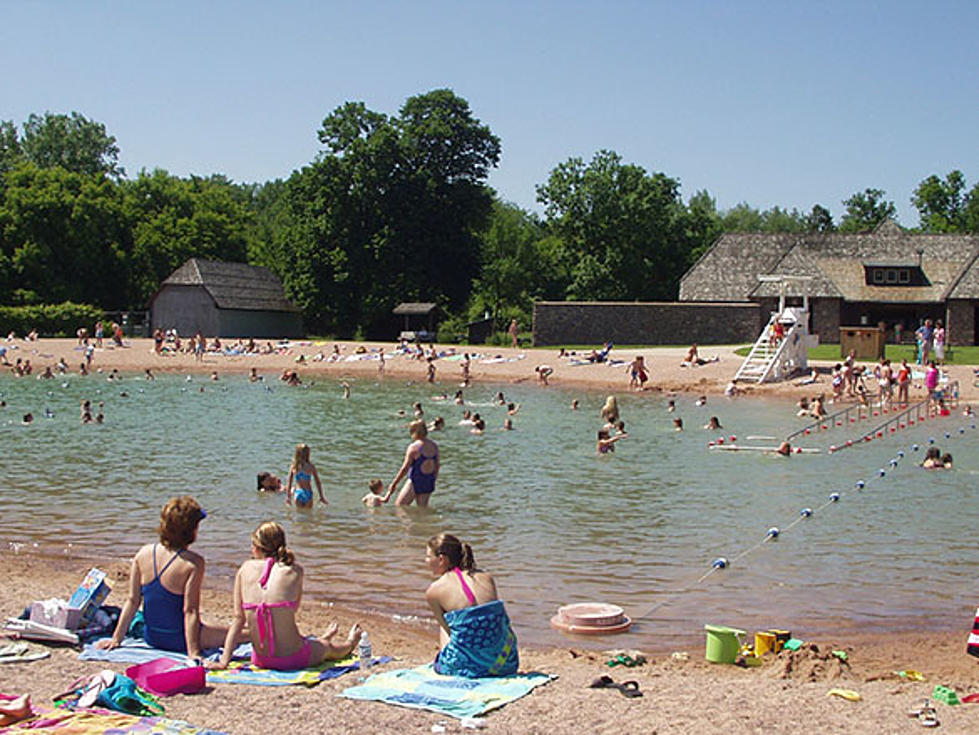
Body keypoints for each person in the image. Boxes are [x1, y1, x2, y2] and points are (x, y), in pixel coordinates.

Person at [96, 496, 235, 659]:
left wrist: (116, 638)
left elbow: (132, 601)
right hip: (179, 639)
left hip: (152, 637)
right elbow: (190, 611)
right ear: (192, 530)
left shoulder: (143, 554)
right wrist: (193, 652)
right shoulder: (193, 563)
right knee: (241, 634)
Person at [212, 522, 361, 671]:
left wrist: (223, 661)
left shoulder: (244, 569)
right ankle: (351, 642)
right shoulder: (295, 570)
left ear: (257, 548)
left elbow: (238, 619)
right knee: (328, 648)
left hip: (260, 659)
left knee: (315, 643)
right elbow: (292, 609)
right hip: (294, 658)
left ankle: (324, 638)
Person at [424, 533, 518, 678]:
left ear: (441, 559)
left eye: (429, 557)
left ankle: (455, 662)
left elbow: (448, 630)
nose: (426, 561)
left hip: (467, 669)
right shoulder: (486, 577)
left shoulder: (434, 590)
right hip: (506, 663)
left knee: (446, 623)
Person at [384, 419, 439, 507]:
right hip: (428, 480)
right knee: (422, 509)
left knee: (400, 506)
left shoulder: (414, 447)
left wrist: (394, 483)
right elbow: (437, 466)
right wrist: (433, 480)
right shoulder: (434, 446)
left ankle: (404, 521)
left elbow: (405, 468)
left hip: (416, 480)